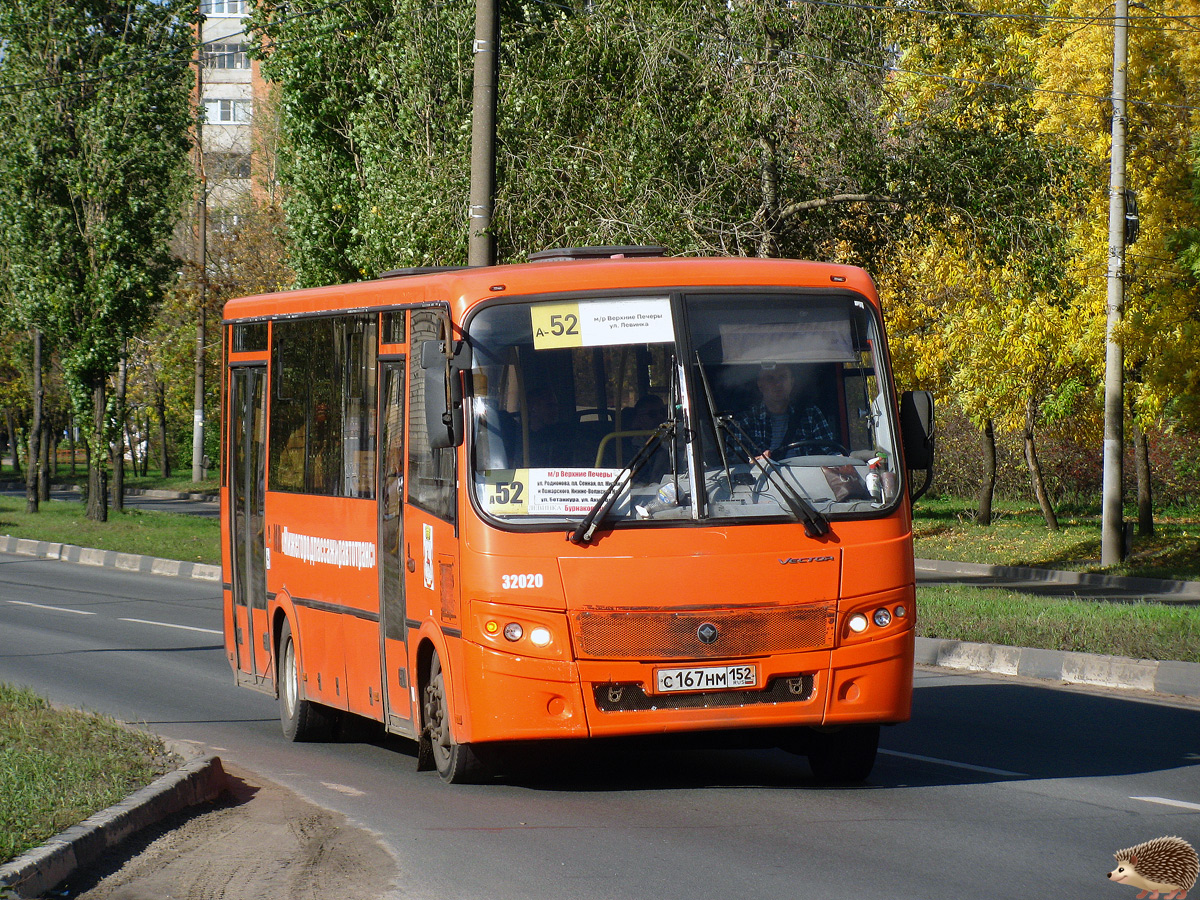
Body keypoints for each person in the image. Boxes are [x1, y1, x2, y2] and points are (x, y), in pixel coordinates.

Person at [735, 364, 835, 460]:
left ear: (792, 382)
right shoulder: (744, 422)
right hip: (764, 477)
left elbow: (829, 453)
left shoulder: (811, 413)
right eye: (770, 379)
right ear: (760, 385)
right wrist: (754, 462)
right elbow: (736, 464)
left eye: (782, 377)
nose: (778, 384)